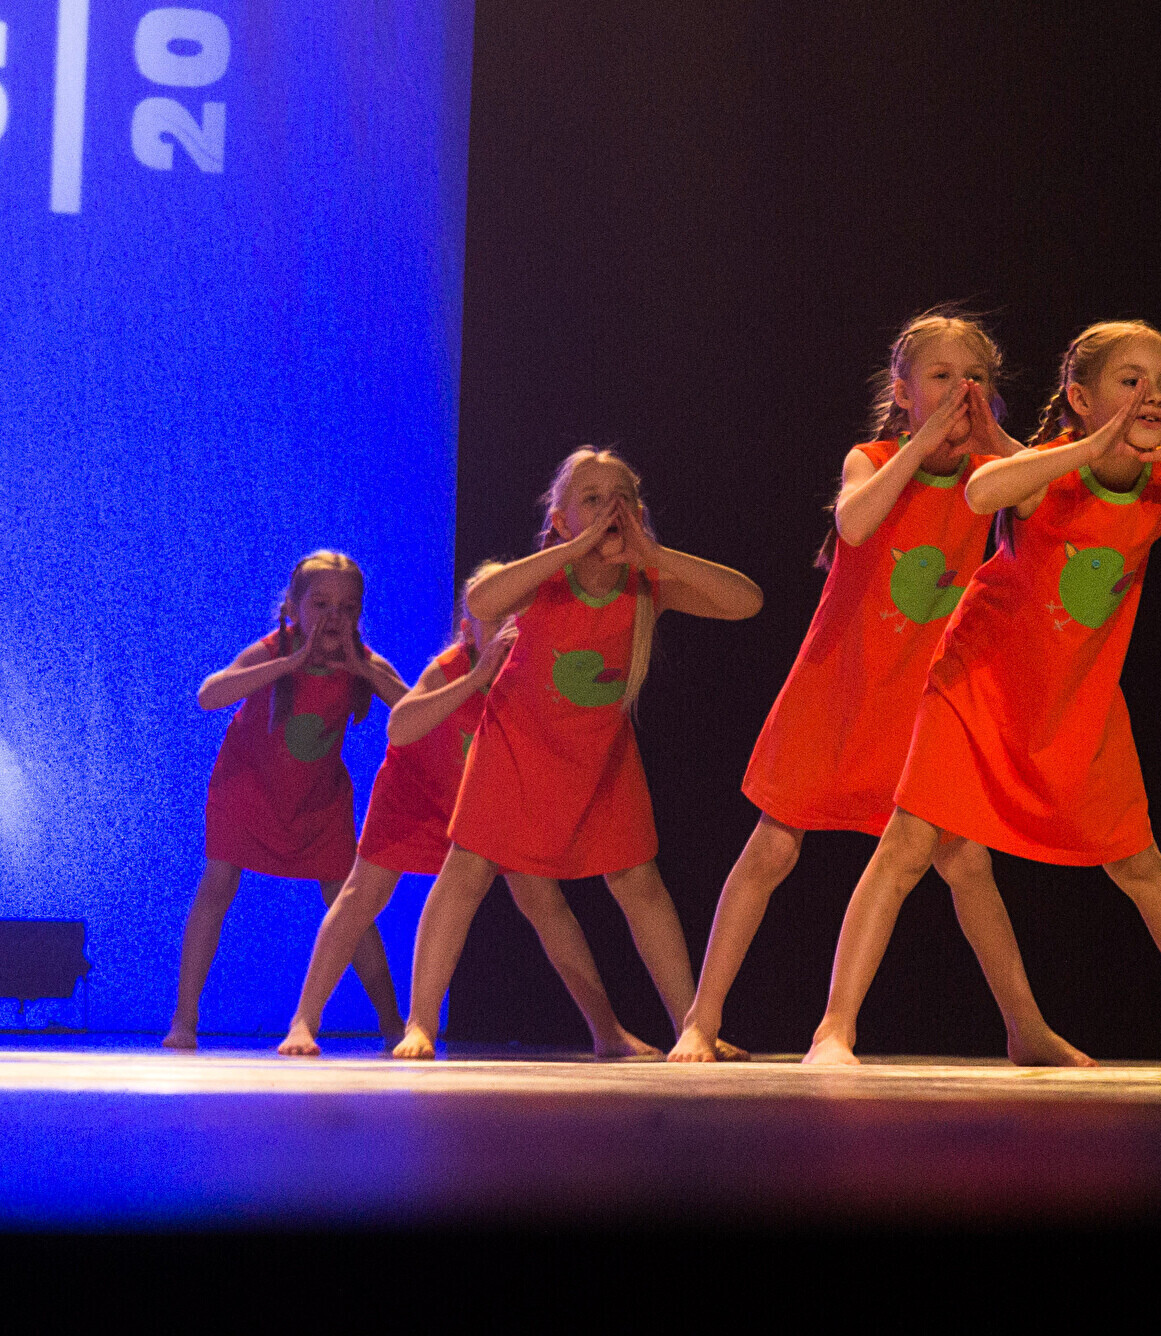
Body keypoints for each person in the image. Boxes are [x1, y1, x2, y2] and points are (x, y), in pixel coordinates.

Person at [805, 320, 1161, 1069]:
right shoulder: (1048, 472)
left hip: (1077, 705)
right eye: (1131, 381)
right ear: (1080, 397)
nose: (1152, 395)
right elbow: (983, 489)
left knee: (1142, 868)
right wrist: (1087, 446)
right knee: (908, 847)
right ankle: (834, 1030)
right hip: (978, 689)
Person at [673, 311, 1087, 1064]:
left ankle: (1025, 1027)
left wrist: (992, 437)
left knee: (966, 863)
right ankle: (701, 1020)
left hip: (925, 702)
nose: (961, 391)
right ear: (902, 391)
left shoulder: (988, 474)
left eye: (977, 379)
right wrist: (922, 444)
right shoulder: (871, 458)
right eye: (942, 377)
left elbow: (1046, 497)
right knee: (772, 849)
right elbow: (856, 523)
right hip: (840, 688)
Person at [390, 448, 762, 1060]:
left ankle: (692, 1026)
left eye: (622, 499)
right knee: (467, 871)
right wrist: (571, 547)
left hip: (600, 760)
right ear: (561, 520)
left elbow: (747, 601)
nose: (610, 510)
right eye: (592, 499)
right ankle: (421, 1022)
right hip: (517, 752)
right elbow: (481, 601)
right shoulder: (542, 582)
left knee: (639, 883)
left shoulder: (645, 585)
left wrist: (656, 554)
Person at [276, 570, 664, 1056]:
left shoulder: (532, 672)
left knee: (544, 902)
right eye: (494, 619)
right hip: (416, 796)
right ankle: (306, 1021)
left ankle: (607, 1032)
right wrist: (477, 679)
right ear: (468, 630)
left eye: (517, 616)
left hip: (484, 802)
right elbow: (400, 726)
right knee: (360, 895)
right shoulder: (450, 667)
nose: (509, 627)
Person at [165, 550, 406, 1050]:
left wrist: (364, 673)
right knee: (219, 882)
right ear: (294, 608)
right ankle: (183, 1020)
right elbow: (209, 695)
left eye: (346, 607)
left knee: (349, 900)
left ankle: (393, 1025)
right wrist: (289, 664)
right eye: (320, 604)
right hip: (248, 787)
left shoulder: (361, 660)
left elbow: (417, 713)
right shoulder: (273, 650)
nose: (333, 617)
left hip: (317, 799)